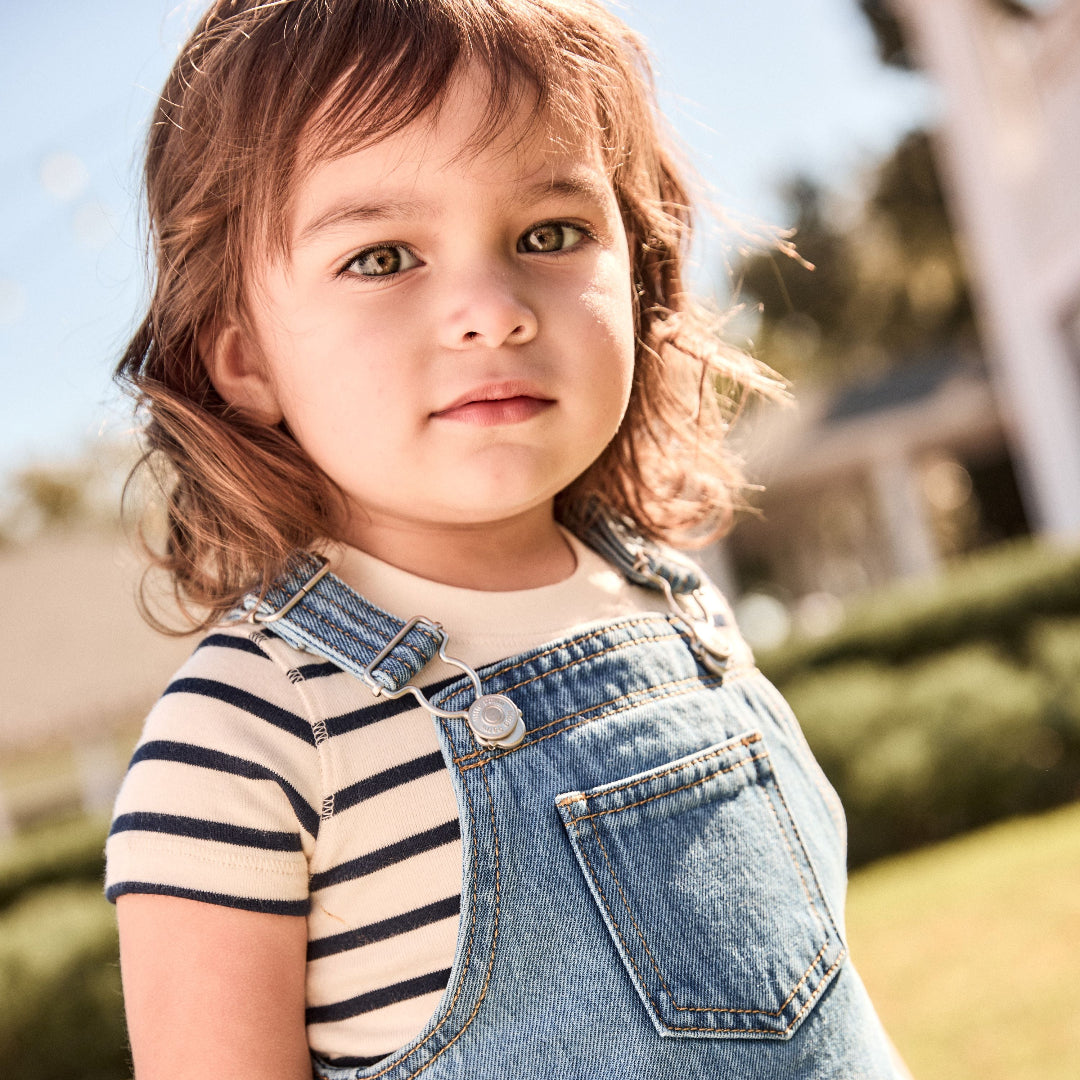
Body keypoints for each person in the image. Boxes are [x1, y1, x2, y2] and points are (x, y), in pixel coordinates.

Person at [106, 1, 908, 1077]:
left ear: (637, 268)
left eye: (548, 234)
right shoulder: (246, 740)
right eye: (384, 256)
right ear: (243, 355)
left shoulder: (680, 609)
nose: (493, 308)